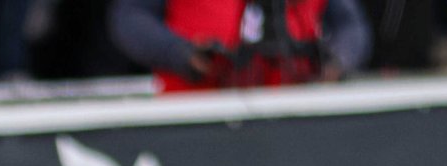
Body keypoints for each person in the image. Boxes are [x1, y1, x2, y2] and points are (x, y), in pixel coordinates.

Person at [109, 0, 371, 90]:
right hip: (195, 119)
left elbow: (351, 26)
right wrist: (180, 53)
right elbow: (129, 17)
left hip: (295, 115)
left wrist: (336, 61)